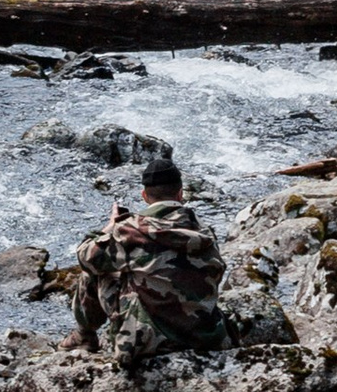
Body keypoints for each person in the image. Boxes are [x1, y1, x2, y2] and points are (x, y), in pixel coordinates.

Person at [70, 152, 226, 366]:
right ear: (180, 194)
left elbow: (84, 256)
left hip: (147, 342)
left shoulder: (131, 231)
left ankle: (84, 336)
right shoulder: (204, 233)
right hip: (203, 336)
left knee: (96, 269)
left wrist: (110, 226)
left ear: (144, 196)